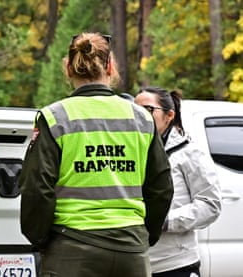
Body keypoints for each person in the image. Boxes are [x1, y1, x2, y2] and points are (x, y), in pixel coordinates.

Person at [19, 32, 174, 277]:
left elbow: (36, 186)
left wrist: (41, 239)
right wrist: (144, 235)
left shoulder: (54, 117)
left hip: (70, 249)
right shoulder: (141, 118)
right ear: (110, 67)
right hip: (130, 251)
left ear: (68, 68)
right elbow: (161, 187)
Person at [134, 87, 222, 277]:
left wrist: (165, 221)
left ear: (169, 115)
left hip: (175, 264)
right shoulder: (129, 152)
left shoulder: (189, 152)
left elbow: (210, 204)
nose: (139, 116)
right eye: (134, 110)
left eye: (148, 110)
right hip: (136, 263)